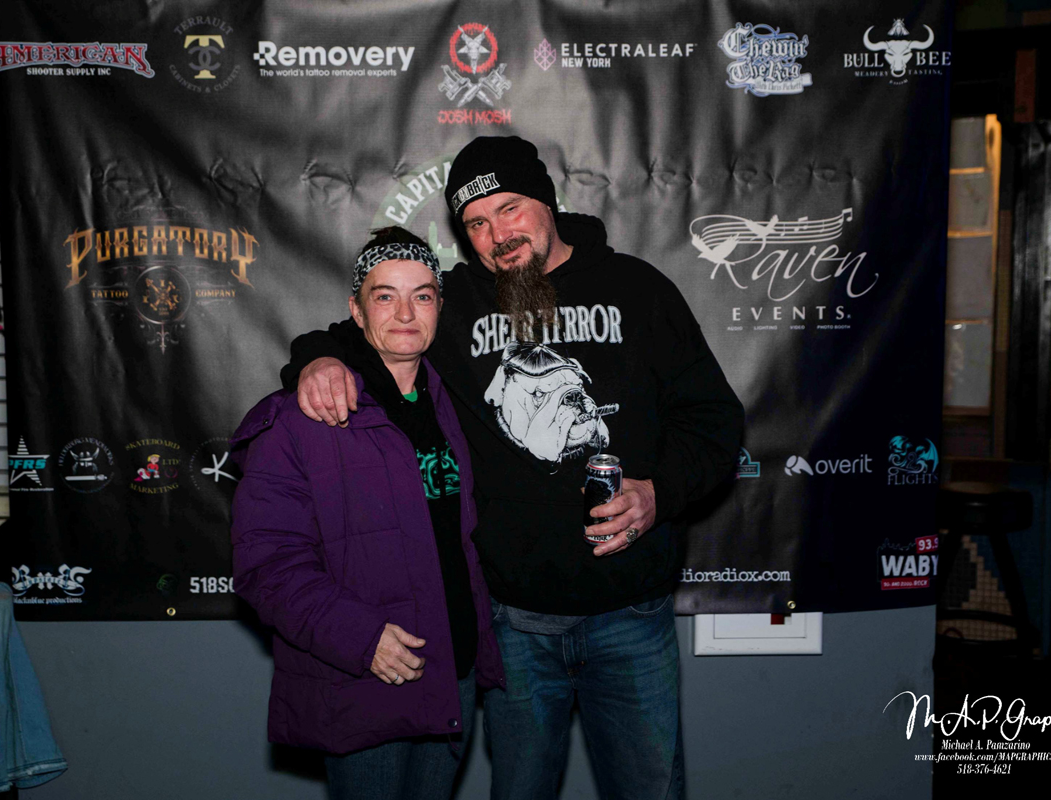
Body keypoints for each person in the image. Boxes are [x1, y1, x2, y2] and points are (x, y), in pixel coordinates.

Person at [282, 137, 744, 799]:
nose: (497, 235)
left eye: (509, 209)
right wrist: (318, 360)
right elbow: (365, 328)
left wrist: (658, 493)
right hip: (514, 624)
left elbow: (714, 421)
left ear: (546, 201)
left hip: (632, 617)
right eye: (475, 223)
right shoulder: (454, 301)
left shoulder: (638, 289)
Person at [231, 227, 504, 800]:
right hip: (365, 674)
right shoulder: (302, 417)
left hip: (451, 672)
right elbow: (266, 564)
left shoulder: (454, 401)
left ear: (439, 307)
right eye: (385, 296)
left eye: (422, 295)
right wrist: (361, 638)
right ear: (356, 311)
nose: (405, 313)